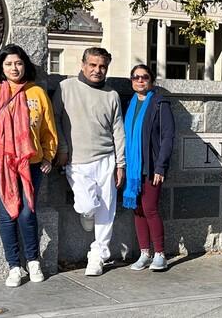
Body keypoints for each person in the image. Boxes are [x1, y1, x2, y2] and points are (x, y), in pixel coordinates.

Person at [0, 44, 57, 287]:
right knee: (7, 215)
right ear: (1, 68)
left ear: (24, 65)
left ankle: (33, 260)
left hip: (31, 163)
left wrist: (48, 156)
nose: (14, 68)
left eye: (18, 63)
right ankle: (14, 265)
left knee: (27, 211)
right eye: (9, 64)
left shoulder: (37, 93)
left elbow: (48, 130)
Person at [53, 47, 125, 276]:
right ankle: (87, 214)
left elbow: (118, 131)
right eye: (93, 65)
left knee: (107, 211)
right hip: (76, 160)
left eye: (102, 66)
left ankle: (98, 255)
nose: (97, 70)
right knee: (87, 205)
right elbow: (53, 119)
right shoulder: (66, 88)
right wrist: (62, 148)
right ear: (83, 64)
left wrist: (120, 164)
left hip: (106, 158)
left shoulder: (112, 95)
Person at [122, 64, 175, 272]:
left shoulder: (160, 103)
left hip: (151, 166)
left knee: (150, 209)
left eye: (144, 77)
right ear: (132, 81)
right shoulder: (130, 103)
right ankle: (145, 253)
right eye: (136, 77)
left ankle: (160, 254)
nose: (140, 80)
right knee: (137, 210)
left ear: (151, 80)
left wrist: (160, 167)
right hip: (133, 168)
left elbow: (168, 137)